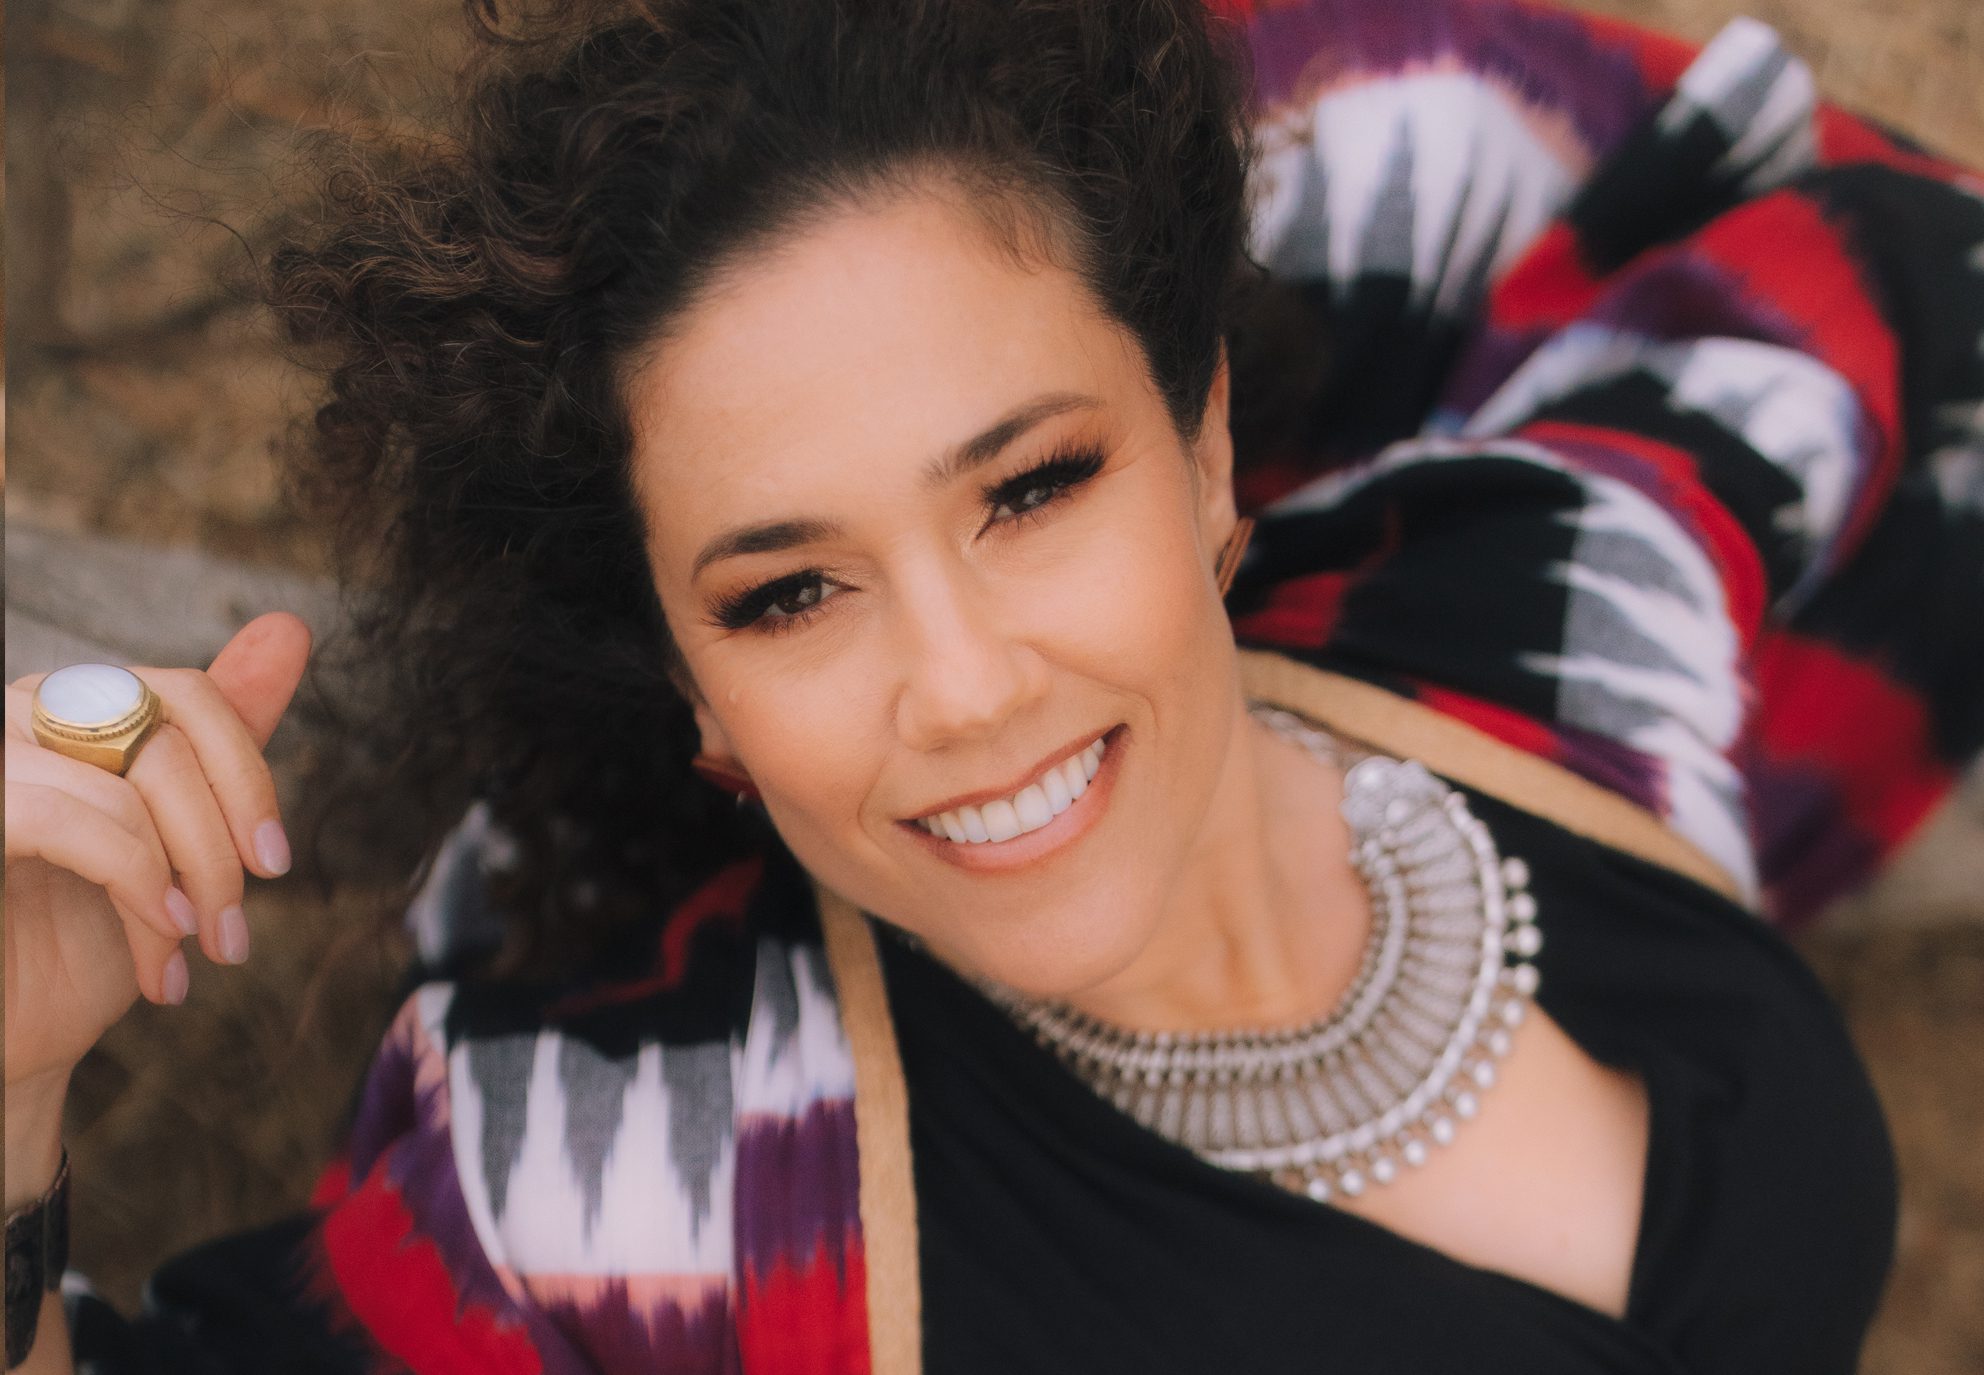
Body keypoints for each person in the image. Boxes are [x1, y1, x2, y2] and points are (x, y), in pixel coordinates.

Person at [7, 0, 1982, 1369]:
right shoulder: (656, 1180)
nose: (960, 685)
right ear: (686, 684)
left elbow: (1845, 298)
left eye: (1031, 485)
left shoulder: (1521, 613)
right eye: (786, 596)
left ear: (1202, 445)